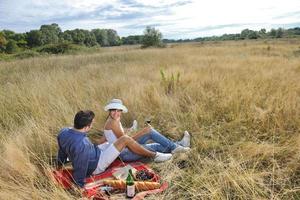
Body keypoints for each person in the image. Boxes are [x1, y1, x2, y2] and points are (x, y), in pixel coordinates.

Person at [56, 110, 172, 188]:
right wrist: (80, 184)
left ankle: (169, 146)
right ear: (87, 127)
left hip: (96, 152)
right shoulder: (82, 144)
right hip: (97, 164)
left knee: (116, 142)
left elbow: (61, 151)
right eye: (91, 124)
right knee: (125, 139)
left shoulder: (63, 132)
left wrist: (59, 163)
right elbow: (81, 165)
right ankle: (154, 155)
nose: (92, 125)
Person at [103, 99, 191, 162]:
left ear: (121, 111)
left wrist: (137, 131)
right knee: (154, 143)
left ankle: (178, 146)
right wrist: (142, 132)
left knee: (149, 130)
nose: (116, 113)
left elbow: (113, 137)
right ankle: (178, 146)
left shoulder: (113, 120)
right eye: (113, 110)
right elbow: (126, 142)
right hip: (125, 153)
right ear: (109, 111)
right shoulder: (112, 123)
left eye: (118, 110)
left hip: (125, 149)